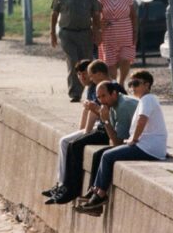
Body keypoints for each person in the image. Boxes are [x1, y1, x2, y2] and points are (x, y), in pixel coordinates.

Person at [44, 61, 138, 205]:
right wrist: (86, 129)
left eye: (91, 77)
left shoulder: (114, 89)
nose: (89, 80)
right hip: (104, 127)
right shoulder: (99, 89)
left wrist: (99, 114)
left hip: (111, 130)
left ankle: (73, 190)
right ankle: (72, 188)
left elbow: (115, 126)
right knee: (74, 145)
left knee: (81, 148)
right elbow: (94, 114)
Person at [75, 71, 167, 215]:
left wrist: (134, 139)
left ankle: (100, 195)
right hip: (147, 146)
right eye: (130, 84)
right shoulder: (145, 100)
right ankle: (95, 192)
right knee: (105, 154)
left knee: (107, 156)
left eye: (136, 84)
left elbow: (143, 120)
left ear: (147, 85)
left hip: (147, 147)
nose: (132, 87)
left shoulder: (148, 99)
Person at [51, 0, 102, 102]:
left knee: (86, 64)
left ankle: (90, 92)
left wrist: (97, 31)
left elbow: (96, 14)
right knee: (73, 61)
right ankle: (75, 93)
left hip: (85, 33)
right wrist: (52, 33)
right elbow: (54, 14)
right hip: (67, 33)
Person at [98, 0, 138, 87]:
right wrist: (99, 24)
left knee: (126, 59)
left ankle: (121, 84)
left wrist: (135, 33)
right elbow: (96, 14)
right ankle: (114, 85)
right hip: (109, 34)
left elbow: (133, 16)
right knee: (111, 63)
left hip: (126, 32)